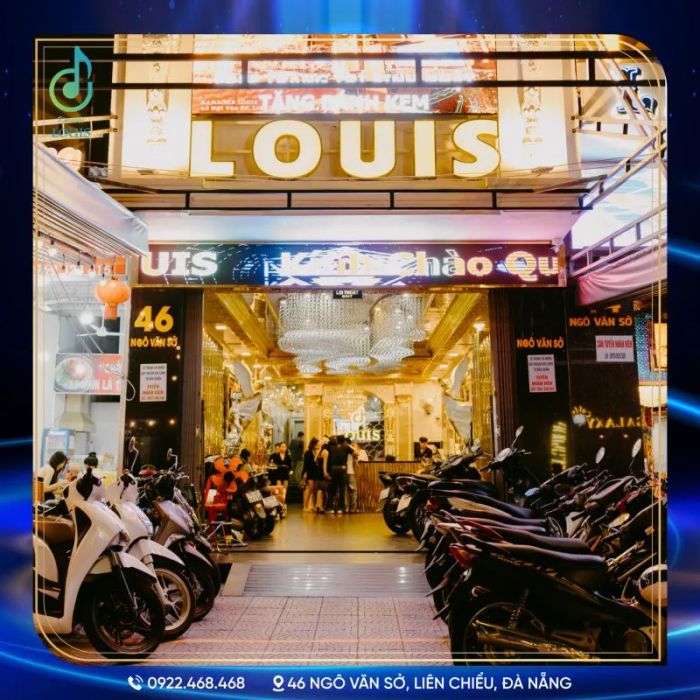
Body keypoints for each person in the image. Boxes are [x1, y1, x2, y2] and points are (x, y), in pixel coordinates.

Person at [326, 435, 357, 515]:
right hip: (343, 469)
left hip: (333, 469)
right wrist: (352, 447)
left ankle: (330, 508)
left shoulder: (331, 447)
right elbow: (356, 454)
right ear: (344, 441)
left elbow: (322, 451)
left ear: (337, 440)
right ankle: (340, 508)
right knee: (342, 490)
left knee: (332, 489)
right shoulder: (346, 447)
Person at [301, 437, 323, 512]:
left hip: (316, 473)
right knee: (310, 490)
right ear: (313, 444)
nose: (319, 445)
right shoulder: (308, 452)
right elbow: (306, 464)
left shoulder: (317, 452)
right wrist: (303, 474)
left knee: (315, 490)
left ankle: (313, 506)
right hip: (310, 473)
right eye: (317, 444)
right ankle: (305, 506)